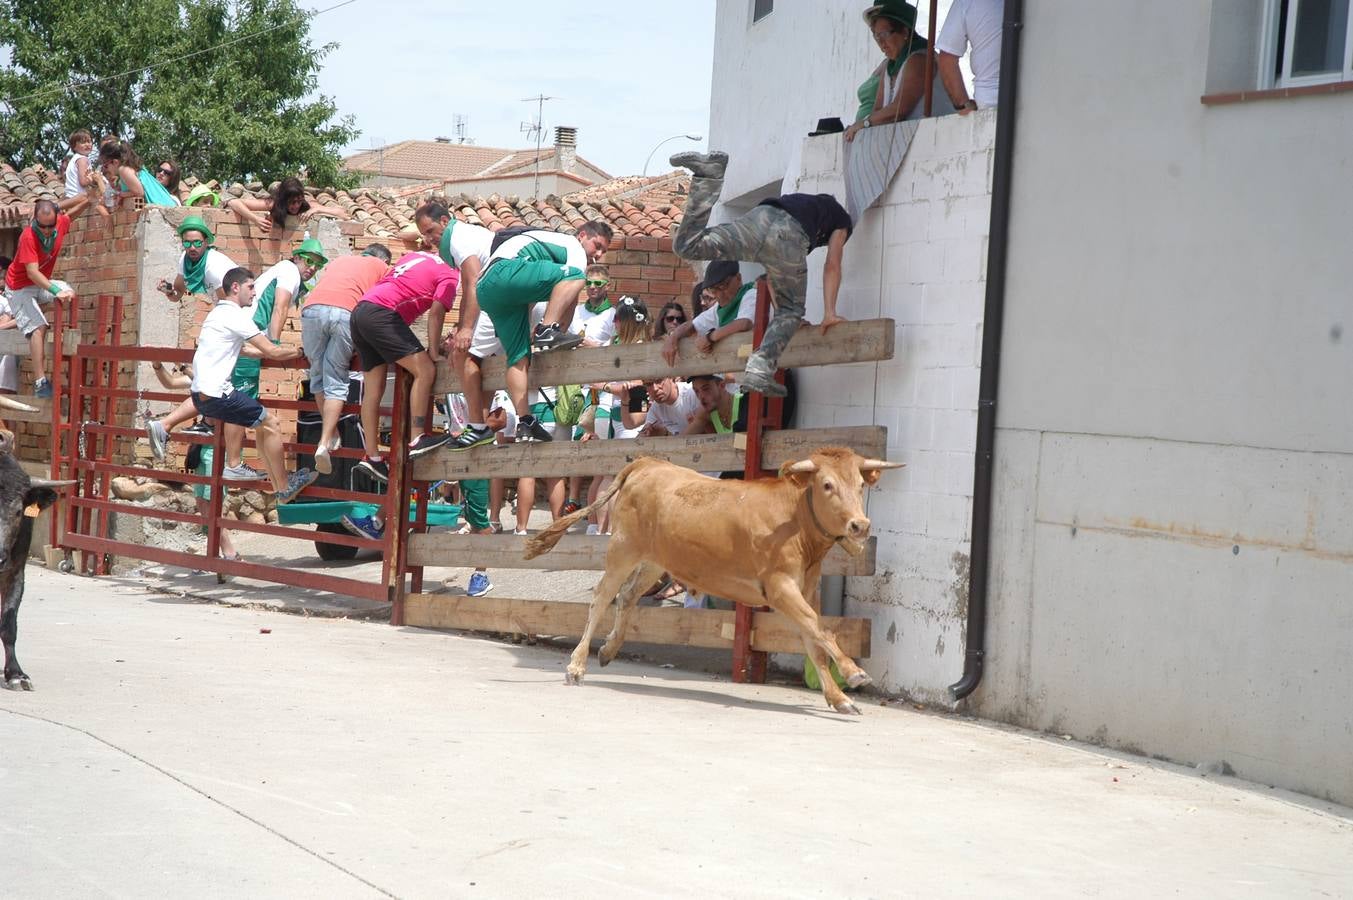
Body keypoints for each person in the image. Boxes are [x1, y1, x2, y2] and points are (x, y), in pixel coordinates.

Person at [670, 151, 850, 398]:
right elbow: (833, 264)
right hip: (786, 231)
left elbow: (775, 276)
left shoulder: (807, 204)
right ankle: (760, 370)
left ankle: (707, 178)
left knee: (689, 246)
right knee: (790, 311)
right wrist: (829, 313)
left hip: (758, 219)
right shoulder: (841, 219)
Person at [146, 267, 316, 503]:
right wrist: (300, 351)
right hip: (217, 394)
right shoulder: (236, 316)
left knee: (247, 413)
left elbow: (246, 350)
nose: (255, 293)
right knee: (272, 423)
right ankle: (282, 486)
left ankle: (261, 477)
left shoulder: (216, 314)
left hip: (201, 395)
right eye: (251, 287)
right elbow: (272, 350)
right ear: (236, 288)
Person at [475, 221, 614, 437]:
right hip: (505, 272)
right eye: (597, 246)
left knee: (519, 358)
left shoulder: (549, 256)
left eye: (604, 251)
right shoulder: (573, 247)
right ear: (583, 235)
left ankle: (525, 419)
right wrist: (551, 329)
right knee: (578, 276)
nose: (598, 255)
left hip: (487, 288)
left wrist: (546, 331)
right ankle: (546, 328)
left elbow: (538, 294)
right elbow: (571, 292)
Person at [218, 238, 328, 479]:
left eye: (318, 265)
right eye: (309, 261)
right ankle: (234, 464)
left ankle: (267, 474)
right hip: (249, 336)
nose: (312, 267)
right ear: (297, 257)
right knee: (240, 402)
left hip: (247, 336)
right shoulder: (289, 271)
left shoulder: (285, 272)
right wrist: (274, 348)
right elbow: (280, 307)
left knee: (249, 408)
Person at [349, 250, 458, 487]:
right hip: (383, 315)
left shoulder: (416, 256)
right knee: (425, 371)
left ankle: (372, 455)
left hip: (361, 310)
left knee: (373, 390)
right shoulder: (450, 274)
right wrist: (433, 352)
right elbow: (437, 313)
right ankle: (418, 437)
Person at [148, 216, 242, 448]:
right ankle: (207, 422)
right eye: (187, 243)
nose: (191, 248)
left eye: (197, 243)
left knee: (215, 379)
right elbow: (178, 294)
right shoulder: (186, 261)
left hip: (238, 315)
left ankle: (183, 423)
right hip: (225, 315)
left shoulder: (215, 267)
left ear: (207, 242)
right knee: (213, 380)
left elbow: (230, 306)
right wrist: (168, 290)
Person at [413, 202, 498, 451]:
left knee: (463, 355)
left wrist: (467, 330)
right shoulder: (465, 238)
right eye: (424, 235)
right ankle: (480, 423)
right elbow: (468, 297)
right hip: (501, 297)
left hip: (499, 297)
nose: (429, 239)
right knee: (482, 358)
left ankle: (477, 427)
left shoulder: (460, 239)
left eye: (430, 231)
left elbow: (473, 282)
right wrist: (462, 327)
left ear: (444, 221)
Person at [301, 243, 391, 474]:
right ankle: (324, 442)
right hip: (346, 311)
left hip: (312, 309)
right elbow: (378, 305)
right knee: (337, 378)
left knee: (317, 374)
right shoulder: (382, 268)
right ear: (384, 260)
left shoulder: (341, 260)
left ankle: (330, 434)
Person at [3, 196, 90, 398]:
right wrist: (54, 292)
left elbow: (70, 217)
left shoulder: (58, 223)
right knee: (38, 327)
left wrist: (89, 202)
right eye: (43, 227)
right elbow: (32, 273)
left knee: (69, 291)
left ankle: (32, 314)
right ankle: (40, 382)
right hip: (19, 288)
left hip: (37, 285)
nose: (48, 231)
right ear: (36, 221)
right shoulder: (28, 237)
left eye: (51, 226)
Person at [845, 0, 955, 142]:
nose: (881, 44)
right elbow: (877, 109)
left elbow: (899, 109)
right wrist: (861, 125)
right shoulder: (889, 66)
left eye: (884, 35)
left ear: (904, 32)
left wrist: (864, 123)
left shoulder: (920, 58)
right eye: (877, 37)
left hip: (935, 138)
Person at [660, 261, 757, 366]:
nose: (719, 295)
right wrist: (673, 338)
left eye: (723, 286)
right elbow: (692, 325)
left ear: (738, 278)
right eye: (713, 290)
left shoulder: (752, 294)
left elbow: (744, 323)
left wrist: (710, 337)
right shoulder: (718, 309)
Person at [937, 0, 1003, 114]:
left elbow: (947, 59)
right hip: (1038, 98)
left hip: (989, 105)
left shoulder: (967, 2)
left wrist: (963, 105)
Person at [228, 176, 346, 234]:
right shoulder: (273, 204)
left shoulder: (306, 205)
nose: (296, 206)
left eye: (299, 202)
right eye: (292, 203)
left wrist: (316, 210)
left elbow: (343, 213)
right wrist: (255, 219)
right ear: (284, 200)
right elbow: (233, 202)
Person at [637, 376, 701, 437]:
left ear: (671, 377)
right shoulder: (655, 407)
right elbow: (640, 431)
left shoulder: (693, 393)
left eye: (659, 381)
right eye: (648, 384)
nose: (655, 388)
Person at [571, 264, 618, 347]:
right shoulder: (575, 311)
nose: (592, 287)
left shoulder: (614, 315)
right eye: (588, 283)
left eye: (597, 283)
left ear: (607, 286)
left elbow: (617, 349)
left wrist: (594, 347)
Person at [60, 130, 99, 214]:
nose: (87, 145)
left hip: (70, 196)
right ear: (74, 147)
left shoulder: (74, 159)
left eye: (89, 141)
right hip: (78, 196)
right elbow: (83, 182)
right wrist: (94, 179)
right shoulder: (82, 159)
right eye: (83, 142)